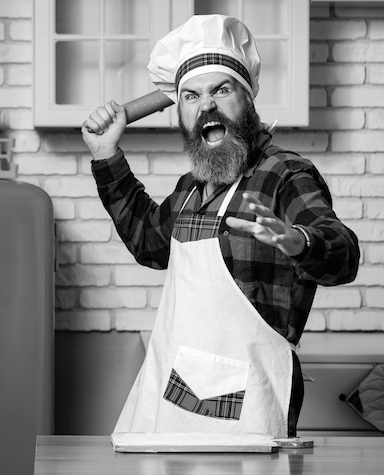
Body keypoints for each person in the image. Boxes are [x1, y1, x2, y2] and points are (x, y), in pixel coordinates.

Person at [81, 14, 360, 438]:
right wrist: (106, 155)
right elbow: (149, 244)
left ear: (247, 100)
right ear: (182, 113)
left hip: (249, 410)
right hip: (174, 396)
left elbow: (342, 253)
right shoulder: (192, 187)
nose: (206, 105)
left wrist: (298, 241)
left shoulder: (282, 174)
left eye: (221, 90)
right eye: (190, 96)